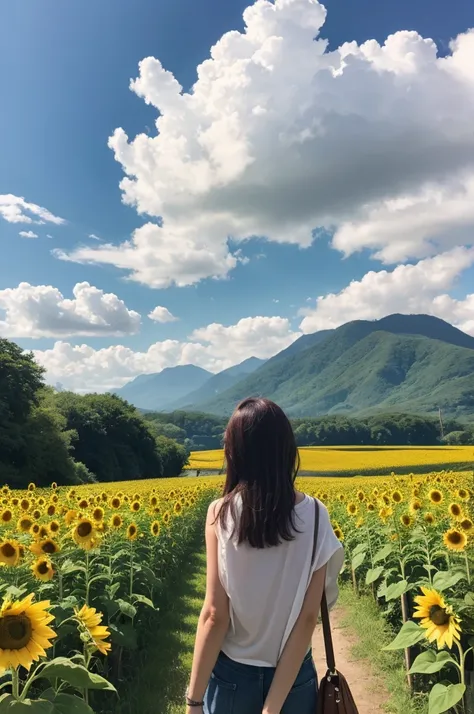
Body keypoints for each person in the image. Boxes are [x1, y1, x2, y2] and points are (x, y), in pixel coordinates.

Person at [186, 397, 344, 714]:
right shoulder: (315, 514)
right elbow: (308, 618)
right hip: (294, 682)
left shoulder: (220, 513)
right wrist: (272, 707)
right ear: (286, 449)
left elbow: (215, 615)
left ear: (235, 452)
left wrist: (193, 701)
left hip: (232, 679)